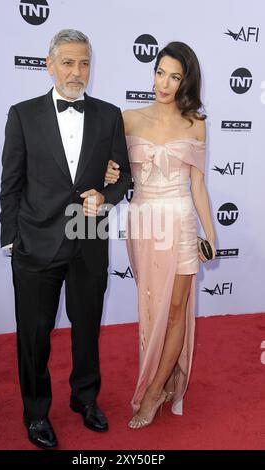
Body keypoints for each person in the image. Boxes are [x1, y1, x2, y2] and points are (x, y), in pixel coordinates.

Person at [0, 29, 131, 448]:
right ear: (49, 64)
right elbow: (11, 184)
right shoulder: (22, 114)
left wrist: (106, 196)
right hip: (35, 241)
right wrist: (11, 239)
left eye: (85, 63)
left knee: (86, 328)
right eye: (70, 63)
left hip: (89, 237)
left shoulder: (110, 115)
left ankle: (85, 398)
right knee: (34, 334)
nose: (78, 72)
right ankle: (36, 412)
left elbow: (123, 175)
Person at [106, 41, 216, 428]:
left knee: (175, 312)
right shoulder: (128, 118)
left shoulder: (196, 124)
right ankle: (163, 376)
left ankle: (154, 393)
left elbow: (198, 186)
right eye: (160, 72)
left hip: (182, 222)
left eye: (174, 76)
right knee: (152, 307)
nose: (164, 83)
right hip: (144, 224)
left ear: (186, 82)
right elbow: (114, 173)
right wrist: (108, 174)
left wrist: (211, 234)